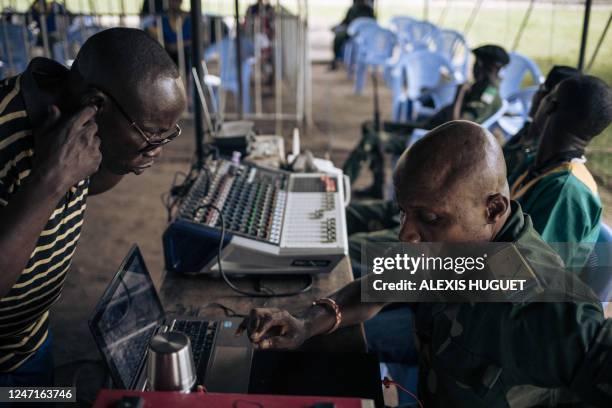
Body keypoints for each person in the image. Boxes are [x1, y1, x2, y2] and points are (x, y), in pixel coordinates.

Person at [237, 121, 612, 407]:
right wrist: (307, 323)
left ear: (493, 209)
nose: (407, 236)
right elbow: (377, 286)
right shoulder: (457, 248)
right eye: (404, 213)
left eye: (429, 219)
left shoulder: (541, 302)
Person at [0, 28, 186, 385]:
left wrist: (125, 158)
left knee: (53, 398)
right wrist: (49, 180)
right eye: (151, 135)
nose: (158, 149)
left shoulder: (78, 121)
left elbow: (89, 183)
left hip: (31, 340)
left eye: (168, 135)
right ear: (96, 104)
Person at [343, 44, 509, 198]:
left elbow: (458, 126)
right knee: (370, 126)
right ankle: (378, 185)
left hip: (431, 139)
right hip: (426, 128)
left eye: (478, 63)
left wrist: (460, 94)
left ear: (491, 67)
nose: (475, 67)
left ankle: (341, 188)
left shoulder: (488, 93)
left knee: (373, 138)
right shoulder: (479, 86)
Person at [510, 75, 612, 270]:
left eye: (546, 96)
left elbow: (526, 275)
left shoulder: (567, 191)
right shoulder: (537, 164)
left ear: (549, 106)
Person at [503, 65, 579, 185]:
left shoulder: (541, 151)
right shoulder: (530, 131)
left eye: (542, 91)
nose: (536, 95)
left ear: (549, 104)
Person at [330, 0, 375, 71]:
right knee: (338, 37)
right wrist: (337, 27)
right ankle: (337, 59)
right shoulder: (352, 9)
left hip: (364, 34)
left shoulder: (369, 10)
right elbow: (345, 22)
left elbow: (373, 23)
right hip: (350, 33)